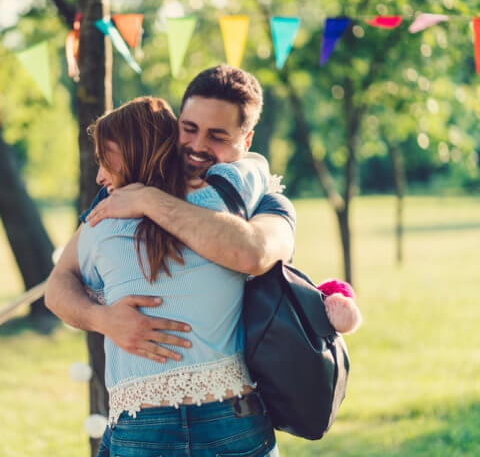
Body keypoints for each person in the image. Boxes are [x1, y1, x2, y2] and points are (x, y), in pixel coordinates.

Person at [45, 65, 295, 455]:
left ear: (246, 141)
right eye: (189, 128)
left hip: (229, 416)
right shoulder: (116, 202)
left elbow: (253, 252)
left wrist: (148, 200)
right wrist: (103, 319)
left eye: (217, 136)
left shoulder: (259, 202)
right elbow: (59, 283)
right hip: (142, 423)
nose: (196, 145)